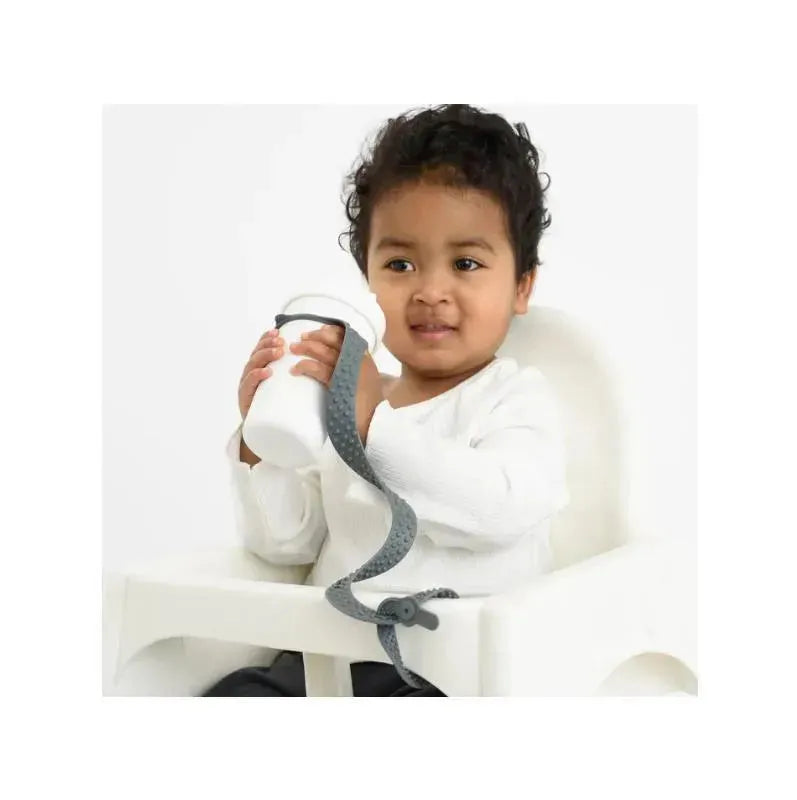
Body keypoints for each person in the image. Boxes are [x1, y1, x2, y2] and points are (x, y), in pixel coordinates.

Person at [201, 103, 570, 697]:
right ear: (365, 287)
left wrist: (374, 425)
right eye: (399, 263)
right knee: (234, 695)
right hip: (323, 657)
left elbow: (500, 509)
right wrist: (259, 444)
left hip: (449, 672)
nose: (430, 291)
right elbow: (286, 544)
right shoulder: (342, 400)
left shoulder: (515, 398)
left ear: (521, 285)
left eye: (466, 263)